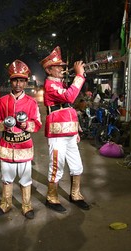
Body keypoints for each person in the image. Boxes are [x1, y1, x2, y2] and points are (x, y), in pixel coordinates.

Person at [40, 46, 90, 213]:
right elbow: (69, 97)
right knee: (57, 166)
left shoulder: (59, 84)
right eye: (58, 66)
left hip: (69, 132)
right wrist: (80, 75)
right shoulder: (50, 85)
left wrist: (76, 128)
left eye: (62, 66)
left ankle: (75, 194)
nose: (62, 68)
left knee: (77, 165)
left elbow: (68, 107)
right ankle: (51, 197)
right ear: (49, 69)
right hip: (57, 133)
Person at [0, 59, 42, 219]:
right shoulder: (2, 101)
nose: (18, 84)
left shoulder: (31, 102)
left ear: (26, 82)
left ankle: (26, 206)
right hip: (6, 145)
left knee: (26, 178)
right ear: (11, 81)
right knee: (6, 178)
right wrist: (3, 126)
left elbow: (38, 124)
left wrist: (26, 125)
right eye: (15, 80)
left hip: (24, 146)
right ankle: (5, 204)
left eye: (21, 80)